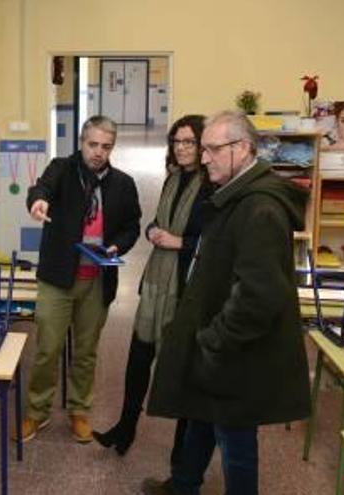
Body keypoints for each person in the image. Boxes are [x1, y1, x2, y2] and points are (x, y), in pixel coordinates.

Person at [145, 111, 312, 495]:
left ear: (243, 148)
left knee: (235, 442)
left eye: (213, 149)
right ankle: (183, 486)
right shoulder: (236, 197)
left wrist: (214, 341)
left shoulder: (260, 209)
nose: (204, 158)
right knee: (202, 417)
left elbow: (260, 294)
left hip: (236, 350)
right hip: (218, 343)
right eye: (203, 149)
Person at [93, 115, 211, 459]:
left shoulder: (211, 186)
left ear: (203, 145)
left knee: (179, 373)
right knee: (137, 359)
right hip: (156, 281)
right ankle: (125, 428)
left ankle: (181, 454)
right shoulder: (173, 180)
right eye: (177, 141)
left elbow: (212, 242)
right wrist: (154, 231)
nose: (182, 148)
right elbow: (161, 220)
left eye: (189, 142)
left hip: (185, 287)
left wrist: (178, 242)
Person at [20, 115, 142, 443]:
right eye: (93, 145)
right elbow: (41, 188)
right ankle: (36, 412)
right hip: (58, 278)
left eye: (105, 146)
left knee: (87, 351)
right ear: (81, 142)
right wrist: (38, 201)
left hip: (97, 281)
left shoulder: (123, 184)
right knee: (48, 348)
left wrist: (118, 243)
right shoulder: (61, 169)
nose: (98, 152)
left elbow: (132, 225)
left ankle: (78, 409)